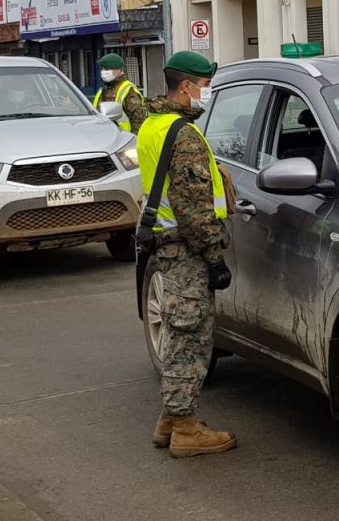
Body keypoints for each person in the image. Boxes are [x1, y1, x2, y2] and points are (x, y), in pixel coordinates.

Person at [137, 51, 236, 458]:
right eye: (205, 86)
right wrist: (214, 257)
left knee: (181, 332)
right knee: (191, 339)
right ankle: (185, 431)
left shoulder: (152, 125)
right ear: (186, 87)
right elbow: (194, 208)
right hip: (187, 249)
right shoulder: (184, 135)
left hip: (166, 243)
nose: (207, 92)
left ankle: (170, 420)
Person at [93, 53, 147, 133]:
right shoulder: (103, 91)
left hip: (123, 136)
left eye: (107, 69)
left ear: (119, 70)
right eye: (102, 69)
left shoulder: (128, 90)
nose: (103, 72)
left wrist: (134, 138)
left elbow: (138, 120)